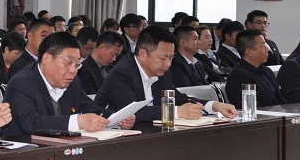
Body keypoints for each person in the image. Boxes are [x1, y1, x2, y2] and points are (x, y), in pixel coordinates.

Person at [96, 26, 237, 122]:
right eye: (163, 58)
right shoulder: (122, 73)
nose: (168, 64)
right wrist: (177, 112)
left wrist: (214, 105)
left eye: (171, 58)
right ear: (143, 54)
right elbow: (132, 112)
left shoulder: (163, 73)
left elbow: (180, 100)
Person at [7, 32, 131, 134]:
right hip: (27, 151)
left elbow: (91, 108)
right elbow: (31, 124)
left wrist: (118, 118)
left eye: (77, 64)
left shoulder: (73, 81)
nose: (73, 70)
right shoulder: (21, 83)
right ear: (46, 58)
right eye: (68, 62)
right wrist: (77, 121)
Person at [225, 29, 287, 107]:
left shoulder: (267, 71)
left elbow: (280, 99)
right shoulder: (238, 76)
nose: (267, 49)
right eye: (263, 46)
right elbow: (248, 107)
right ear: (249, 52)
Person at [78, 31, 123, 95]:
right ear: (102, 48)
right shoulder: (83, 70)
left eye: (117, 56)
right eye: (113, 54)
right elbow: (89, 96)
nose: (114, 59)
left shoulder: (113, 69)